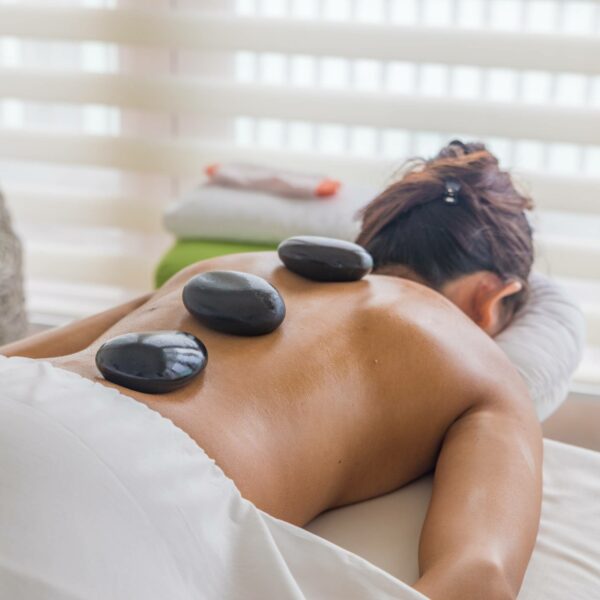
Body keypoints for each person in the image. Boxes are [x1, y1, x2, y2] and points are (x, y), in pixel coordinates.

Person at [0, 142, 542, 600]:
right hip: (122, 481)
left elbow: (16, 358)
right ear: (492, 298)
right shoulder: (480, 361)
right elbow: (482, 575)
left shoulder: (230, 266)